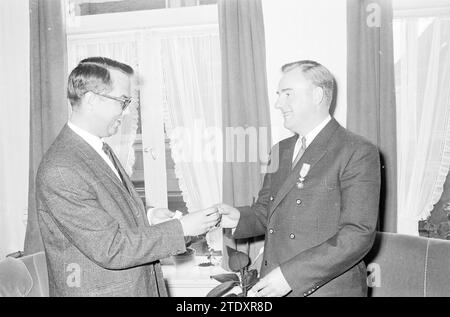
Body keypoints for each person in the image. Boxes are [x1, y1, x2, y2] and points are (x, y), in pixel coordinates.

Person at [36, 57, 220, 297]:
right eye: (123, 101)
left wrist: (150, 216)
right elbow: (111, 248)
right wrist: (182, 228)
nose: (126, 111)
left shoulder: (97, 148)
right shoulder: (61, 169)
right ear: (91, 100)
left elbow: (105, 210)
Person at [218, 60, 380, 297]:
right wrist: (238, 218)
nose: (278, 103)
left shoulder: (357, 151)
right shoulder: (280, 150)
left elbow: (357, 234)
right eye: (278, 95)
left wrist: (291, 276)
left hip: (325, 290)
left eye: (287, 94)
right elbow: (267, 211)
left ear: (317, 95)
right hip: (275, 287)